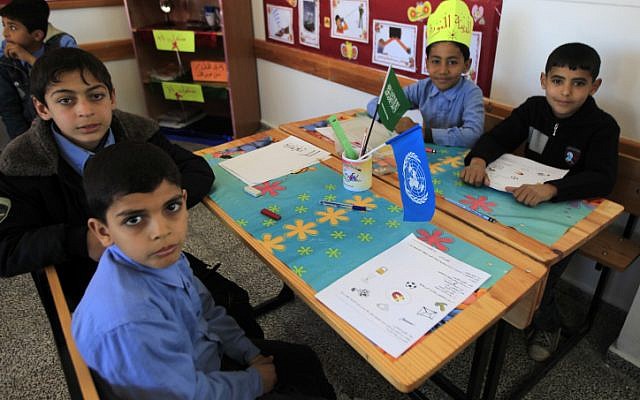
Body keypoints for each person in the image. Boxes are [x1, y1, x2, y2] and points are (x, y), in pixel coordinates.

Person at [0, 47, 263, 339]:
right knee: (153, 339)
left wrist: (161, 209)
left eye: (96, 95)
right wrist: (81, 240)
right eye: (65, 100)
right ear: (42, 108)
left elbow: (196, 169)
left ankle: (252, 366)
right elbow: (6, 249)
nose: (85, 110)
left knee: (232, 303)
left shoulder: (137, 132)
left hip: (154, 257)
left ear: (112, 96)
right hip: (86, 278)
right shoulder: (22, 162)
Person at [72, 141, 337, 400]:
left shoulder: (162, 258)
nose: (162, 232)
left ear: (184, 200)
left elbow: (206, 311)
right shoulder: (130, 323)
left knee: (303, 359)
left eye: (171, 207)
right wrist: (257, 381)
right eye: (134, 219)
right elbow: (190, 393)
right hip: (191, 386)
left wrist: (249, 353)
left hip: (200, 361)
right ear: (103, 232)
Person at [460, 42, 620, 361]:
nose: (565, 92)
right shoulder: (533, 108)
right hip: (521, 200)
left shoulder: (603, 127)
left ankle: (548, 324)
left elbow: (602, 178)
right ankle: (488, 304)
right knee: (475, 235)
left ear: (595, 86)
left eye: (579, 83)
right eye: (558, 81)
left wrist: (552, 189)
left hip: (568, 210)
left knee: (539, 270)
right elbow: (498, 138)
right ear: (544, 79)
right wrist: (478, 160)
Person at [366, 0, 484, 148]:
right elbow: (373, 105)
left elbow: (472, 135)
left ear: (466, 65)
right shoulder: (423, 88)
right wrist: (395, 120)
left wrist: (425, 133)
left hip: (460, 163)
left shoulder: (471, 93)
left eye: (452, 62)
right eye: (436, 61)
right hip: (428, 155)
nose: (443, 70)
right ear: (427, 63)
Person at [0, 0, 77, 139]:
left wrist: (29, 58)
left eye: (12, 27)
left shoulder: (61, 44)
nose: (4, 33)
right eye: (3, 25)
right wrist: (24, 141)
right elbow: (9, 108)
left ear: (36, 35)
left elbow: (70, 83)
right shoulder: (5, 59)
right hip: (29, 130)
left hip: (67, 125)